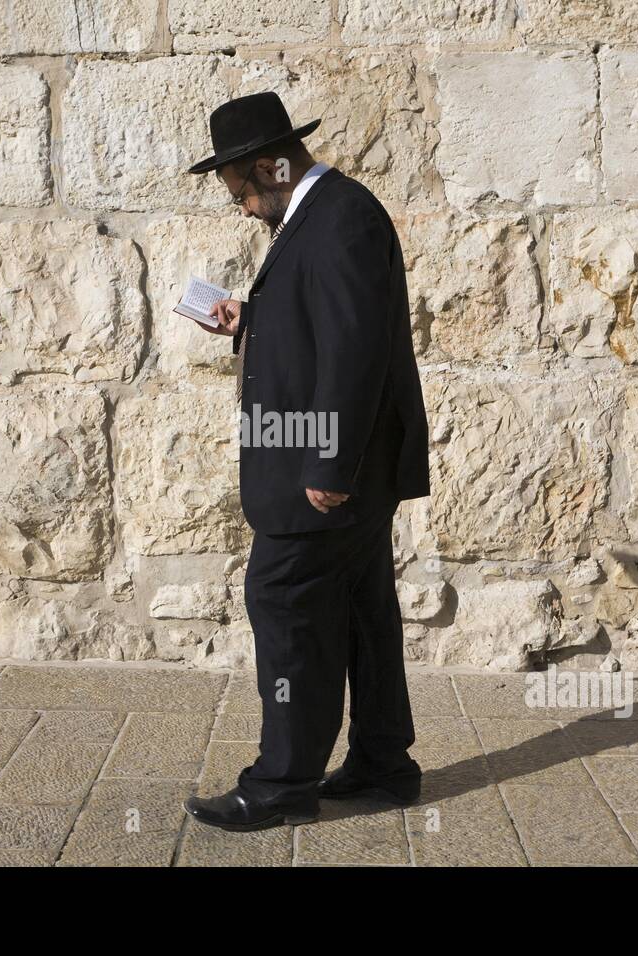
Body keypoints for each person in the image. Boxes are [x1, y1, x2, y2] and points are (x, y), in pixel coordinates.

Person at [181, 92, 431, 831]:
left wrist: (328, 464)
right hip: (343, 463)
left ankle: (282, 784)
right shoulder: (325, 216)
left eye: (242, 191)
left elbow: (355, 352)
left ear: (271, 165)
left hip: (323, 470)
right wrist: (247, 317)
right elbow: (325, 320)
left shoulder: (340, 217)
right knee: (359, 612)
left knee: (283, 605)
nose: (244, 207)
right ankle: (384, 766)